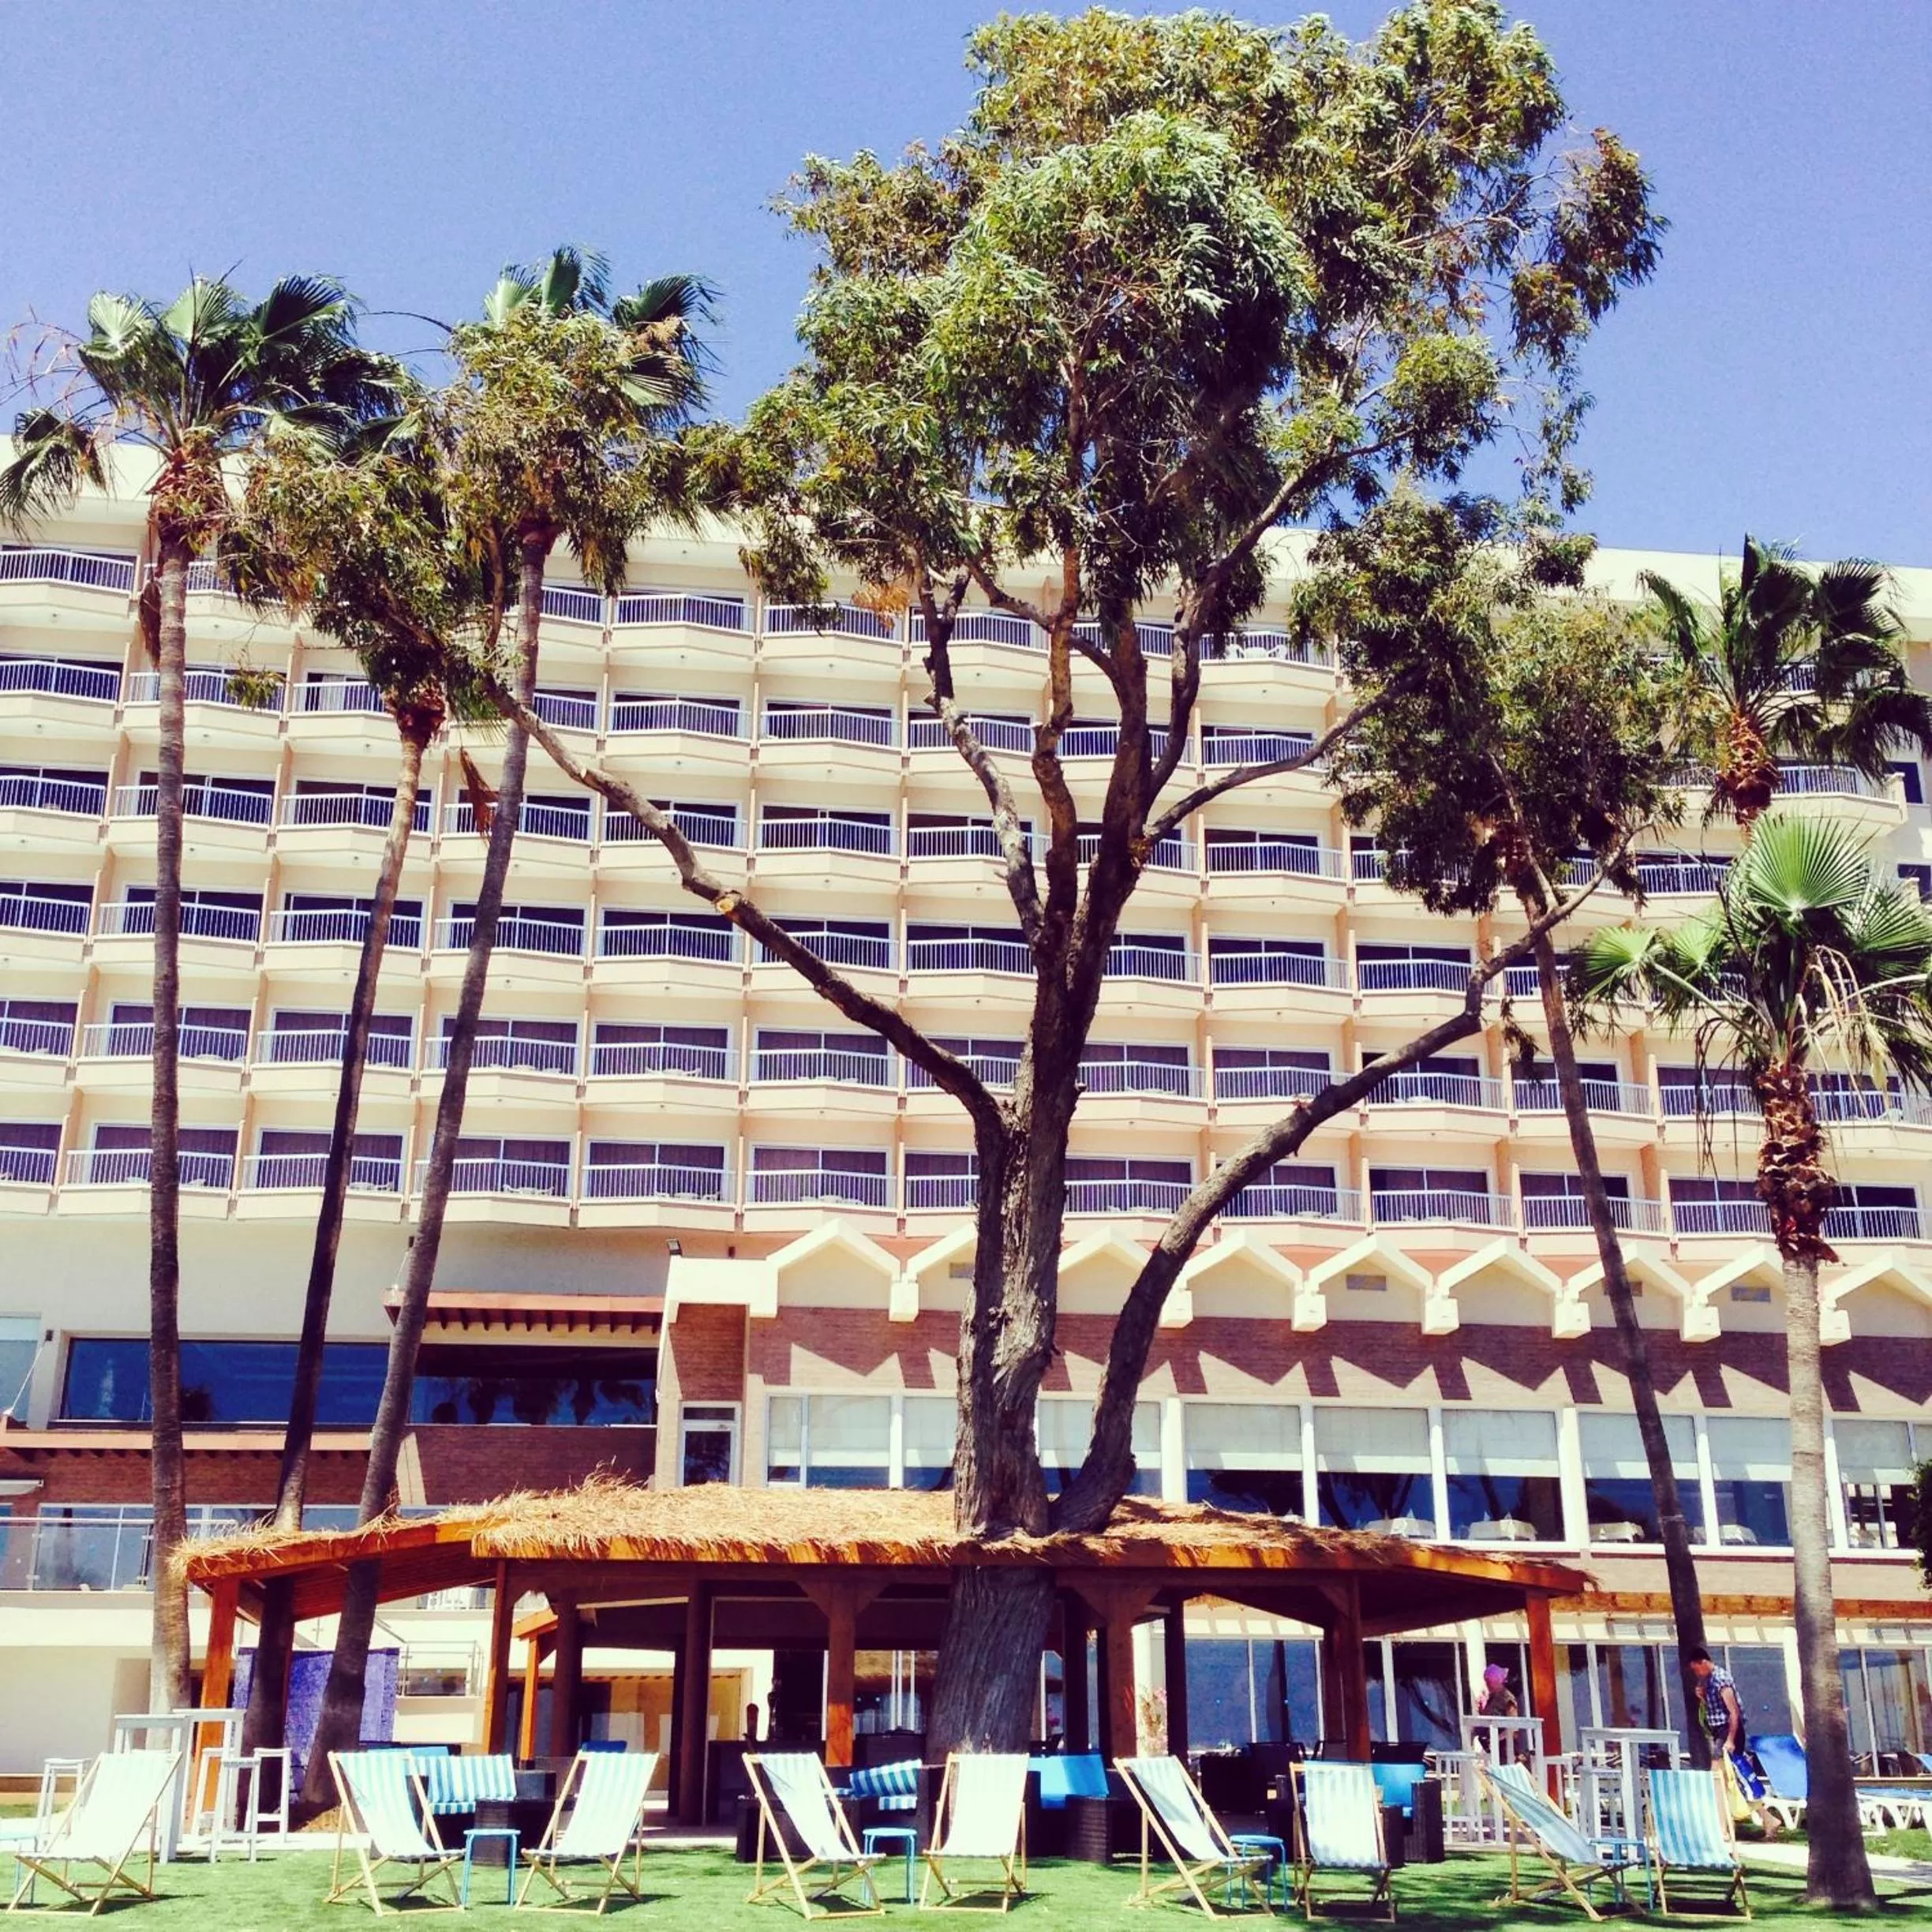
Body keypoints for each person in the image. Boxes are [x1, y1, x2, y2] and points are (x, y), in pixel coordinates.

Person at [1686, 1648, 1777, 1838]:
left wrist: (1730, 1740)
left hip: (1729, 1732)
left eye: (1696, 1669)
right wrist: (1702, 1697)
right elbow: (1712, 1709)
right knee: (1730, 1780)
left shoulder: (1721, 1679)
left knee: (1719, 1779)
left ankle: (1723, 1829)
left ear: (1703, 1662)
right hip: (1719, 1732)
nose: (1696, 1674)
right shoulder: (1708, 1680)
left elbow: (1733, 1712)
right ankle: (1766, 1819)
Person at [1477, 1663, 1521, 1761]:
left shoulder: (1507, 1698)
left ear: (1497, 1680)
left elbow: (1513, 1725)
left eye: (1489, 1681)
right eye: (1486, 1681)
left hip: (1507, 1748)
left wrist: (1497, 1739)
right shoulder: (1492, 1698)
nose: (1487, 1684)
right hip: (1494, 1749)